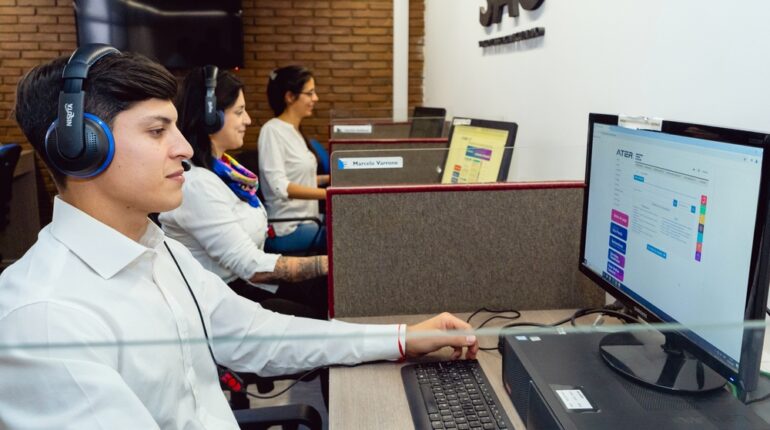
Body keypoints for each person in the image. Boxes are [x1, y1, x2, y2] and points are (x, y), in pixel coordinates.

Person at [0, 46, 478, 428]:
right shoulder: (45, 321)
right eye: (157, 131)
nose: (184, 148)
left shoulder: (160, 250)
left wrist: (402, 338)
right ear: (80, 147)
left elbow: (258, 335)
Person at [159, 66, 326, 319]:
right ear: (211, 118)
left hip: (242, 282)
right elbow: (251, 266)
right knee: (312, 310)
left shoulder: (226, 171)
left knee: (322, 291)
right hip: (219, 299)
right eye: (239, 112)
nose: (248, 120)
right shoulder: (197, 184)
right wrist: (327, 264)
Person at [258, 65, 328, 254]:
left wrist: (329, 180)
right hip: (288, 227)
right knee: (346, 234)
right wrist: (328, 194)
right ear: (290, 97)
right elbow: (279, 186)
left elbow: (297, 177)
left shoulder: (294, 131)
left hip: (309, 220)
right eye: (310, 93)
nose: (315, 98)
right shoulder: (272, 131)